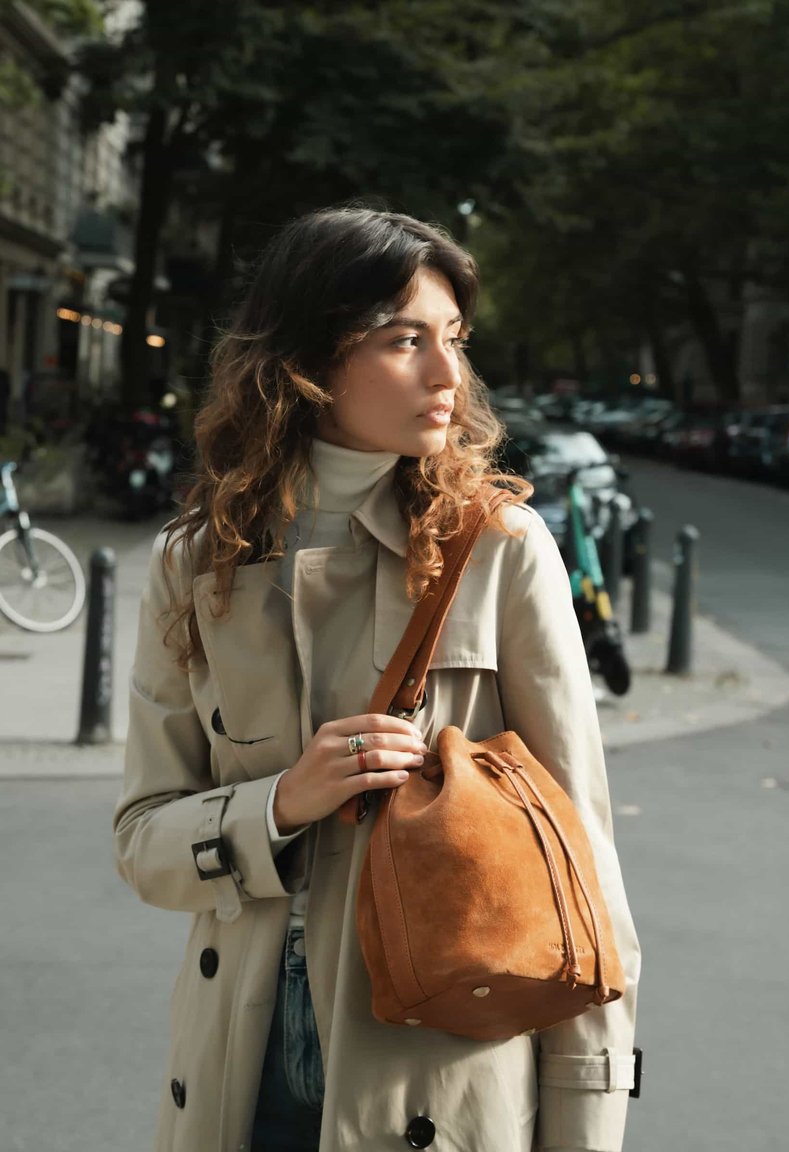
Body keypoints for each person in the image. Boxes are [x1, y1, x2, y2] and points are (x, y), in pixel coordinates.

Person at [114, 206, 640, 1152]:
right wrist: (278, 803)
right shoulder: (196, 565)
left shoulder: (500, 550)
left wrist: (588, 1116)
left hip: (443, 1077)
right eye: (405, 341)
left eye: (454, 341)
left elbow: (582, 864)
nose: (448, 376)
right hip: (245, 1070)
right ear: (306, 361)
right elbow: (144, 840)